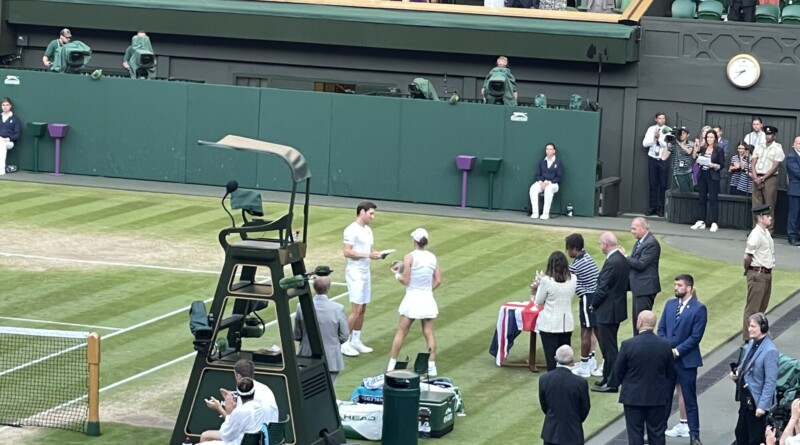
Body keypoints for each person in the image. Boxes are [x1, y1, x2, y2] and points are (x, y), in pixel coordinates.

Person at [658, 274, 708, 445]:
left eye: (679, 285)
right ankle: (657, 433)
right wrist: (667, 348)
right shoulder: (670, 305)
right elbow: (662, 329)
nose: (676, 288)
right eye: (675, 285)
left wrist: (677, 351)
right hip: (669, 361)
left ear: (689, 288)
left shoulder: (699, 309)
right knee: (664, 398)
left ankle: (694, 436)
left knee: (689, 399)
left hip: (686, 361)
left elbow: (695, 337)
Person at [387, 228, 442, 377]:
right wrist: (427, 290)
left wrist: (396, 275)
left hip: (412, 298)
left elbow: (406, 280)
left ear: (414, 241)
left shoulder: (409, 257)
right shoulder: (432, 257)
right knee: (429, 333)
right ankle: (431, 367)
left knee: (401, 331)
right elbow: (438, 280)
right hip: (426, 297)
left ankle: (391, 364)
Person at [615, 310, 675, 445]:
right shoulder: (665, 345)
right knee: (657, 433)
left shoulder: (628, 344)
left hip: (633, 397)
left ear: (640, 322)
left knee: (635, 433)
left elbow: (618, 371)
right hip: (657, 397)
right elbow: (670, 372)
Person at [341, 201, 386, 357]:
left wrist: (378, 254)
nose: (372, 217)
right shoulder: (351, 230)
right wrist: (368, 255)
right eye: (370, 213)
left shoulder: (368, 230)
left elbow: (370, 250)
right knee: (356, 308)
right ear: (362, 212)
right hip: (355, 272)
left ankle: (356, 340)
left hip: (365, 272)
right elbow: (347, 252)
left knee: (363, 307)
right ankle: (343, 343)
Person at [589, 232, 630, 393]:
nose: (600, 246)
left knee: (609, 348)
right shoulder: (621, 259)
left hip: (608, 310)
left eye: (600, 243)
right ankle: (607, 377)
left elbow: (602, 288)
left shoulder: (613, 261)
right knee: (608, 346)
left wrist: (594, 304)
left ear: (606, 244)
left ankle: (612, 382)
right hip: (616, 308)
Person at [201, 359, 278, 443]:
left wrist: (221, 409)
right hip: (265, 439)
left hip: (249, 441)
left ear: (238, 376)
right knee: (206, 436)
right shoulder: (265, 390)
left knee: (204, 438)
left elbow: (227, 433)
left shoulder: (246, 406)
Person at [730, 312, 779, 445]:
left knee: (754, 438)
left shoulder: (770, 351)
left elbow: (770, 382)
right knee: (740, 433)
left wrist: (762, 406)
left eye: (753, 326)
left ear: (762, 328)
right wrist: (737, 373)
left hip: (756, 403)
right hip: (746, 400)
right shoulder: (752, 343)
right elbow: (746, 364)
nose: (749, 329)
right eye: (749, 326)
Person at [293, 274, 349, 384]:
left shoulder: (301, 306)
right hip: (331, 358)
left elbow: (297, 334)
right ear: (328, 287)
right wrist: (332, 342)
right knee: (329, 393)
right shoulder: (338, 308)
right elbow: (344, 335)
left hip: (306, 357)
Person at [531, 251, 577, 372]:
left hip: (550, 327)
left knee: (551, 362)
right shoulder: (573, 279)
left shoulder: (546, 281)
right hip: (566, 325)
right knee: (565, 362)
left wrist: (538, 287)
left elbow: (539, 300)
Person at [565, 233, 603, 378]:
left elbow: (563, 276)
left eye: (568, 249)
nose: (568, 252)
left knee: (586, 331)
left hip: (589, 298)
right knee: (595, 330)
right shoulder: (587, 257)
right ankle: (591, 360)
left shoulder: (578, 264)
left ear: (574, 248)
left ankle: (585, 366)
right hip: (595, 297)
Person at [538, 345, 591, 445]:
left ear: (555, 358)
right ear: (572, 360)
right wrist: (574, 420)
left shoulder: (544, 379)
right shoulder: (580, 382)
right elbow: (584, 408)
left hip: (551, 433)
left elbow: (544, 405)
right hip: (573, 433)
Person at [742, 205, 775, 342]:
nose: (770, 218)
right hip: (758, 274)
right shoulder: (756, 234)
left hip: (766, 273)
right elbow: (747, 256)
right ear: (761, 218)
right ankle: (748, 337)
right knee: (753, 309)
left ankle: (759, 334)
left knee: (762, 307)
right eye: (768, 216)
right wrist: (748, 271)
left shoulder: (765, 232)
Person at [200, 377, 265, 445]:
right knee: (205, 436)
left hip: (235, 442)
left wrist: (221, 409)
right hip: (244, 440)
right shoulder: (258, 406)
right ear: (254, 392)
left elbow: (226, 435)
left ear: (238, 394)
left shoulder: (240, 412)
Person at [626, 217, 661, 336]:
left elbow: (641, 264)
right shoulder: (640, 242)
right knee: (637, 321)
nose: (632, 231)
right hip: (639, 288)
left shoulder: (651, 243)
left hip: (645, 288)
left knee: (642, 323)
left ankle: (641, 349)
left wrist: (624, 257)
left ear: (643, 228)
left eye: (634, 229)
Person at [750, 125, 784, 231]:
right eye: (766, 134)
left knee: (769, 204)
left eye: (770, 134)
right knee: (756, 204)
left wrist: (763, 178)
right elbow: (753, 162)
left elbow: (775, 166)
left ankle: (769, 229)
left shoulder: (777, 148)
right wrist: (755, 177)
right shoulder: (759, 146)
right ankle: (756, 228)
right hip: (757, 176)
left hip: (769, 177)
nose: (768, 136)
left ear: (774, 135)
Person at [690, 129, 725, 233]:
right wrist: (698, 160)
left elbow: (722, 164)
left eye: (711, 137)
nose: (709, 139)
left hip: (713, 175)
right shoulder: (702, 148)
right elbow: (697, 159)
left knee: (713, 199)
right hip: (703, 174)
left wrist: (714, 165)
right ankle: (701, 220)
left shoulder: (719, 150)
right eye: (708, 137)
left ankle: (714, 222)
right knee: (702, 198)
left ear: (715, 138)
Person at [642, 112, 670, 217]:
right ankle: (652, 207)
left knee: (663, 185)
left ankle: (661, 208)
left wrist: (659, 138)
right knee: (653, 184)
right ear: (656, 119)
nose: (661, 120)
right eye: (659, 118)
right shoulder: (651, 129)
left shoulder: (668, 130)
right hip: (652, 158)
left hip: (663, 159)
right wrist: (654, 138)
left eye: (663, 118)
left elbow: (668, 145)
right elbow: (645, 144)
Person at [529, 143, 563, 220]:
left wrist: (549, 182)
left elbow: (559, 177)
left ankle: (545, 213)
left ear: (554, 151)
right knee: (533, 188)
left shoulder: (558, 163)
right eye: (547, 149)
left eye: (550, 149)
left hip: (553, 185)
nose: (548, 151)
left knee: (548, 189)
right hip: (542, 183)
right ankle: (535, 212)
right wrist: (540, 181)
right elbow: (537, 174)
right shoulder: (541, 162)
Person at [667, 127, 696, 193]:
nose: (681, 135)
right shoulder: (673, 144)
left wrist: (678, 142)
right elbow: (664, 157)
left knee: (691, 191)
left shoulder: (690, 143)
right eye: (680, 133)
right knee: (684, 191)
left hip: (688, 171)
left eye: (684, 133)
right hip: (678, 172)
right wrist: (668, 143)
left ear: (688, 135)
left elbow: (688, 151)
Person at [0, 97, 21, 175]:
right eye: (3, 105)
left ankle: (1, 169)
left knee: (1, 144)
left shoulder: (15, 119)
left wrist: (8, 139)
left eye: (7, 105)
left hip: (9, 142)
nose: (5, 107)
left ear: (10, 106)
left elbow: (17, 134)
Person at [786, 136, 800, 246]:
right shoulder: (791, 157)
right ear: (794, 144)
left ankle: (798, 235)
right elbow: (797, 173)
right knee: (793, 214)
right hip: (795, 190)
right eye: (799, 143)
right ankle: (792, 236)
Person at [713, 125, 730, 192]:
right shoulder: (710, 142)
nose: (715, 134)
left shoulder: (725, 142)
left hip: (721, 171)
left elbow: (725, 156)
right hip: (711, 172)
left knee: (721, 191)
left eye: (717, 132)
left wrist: (713, 158)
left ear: (720, 132)